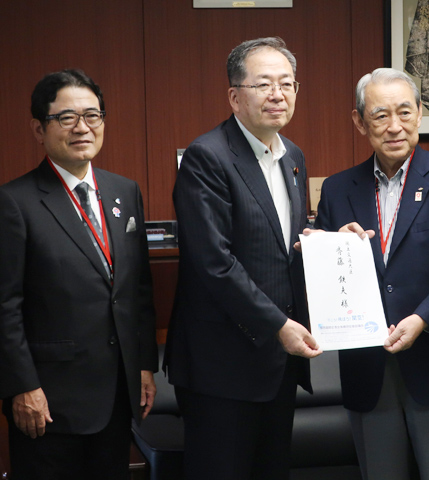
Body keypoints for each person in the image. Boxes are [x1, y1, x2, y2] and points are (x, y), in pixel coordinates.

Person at [313, 67, 429, 480]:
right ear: (360, 122)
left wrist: (421, 319)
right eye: (380, 115)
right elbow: (325, 275)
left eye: (404, 112)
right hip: (368, 369)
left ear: (421, 114)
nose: (395, 126)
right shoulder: (338, 190)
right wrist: (330, 244)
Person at [164, 37, 321, 480]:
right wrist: (279, 325)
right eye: (264, 84)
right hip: (223, 365)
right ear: (234, 96)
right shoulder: (207, 157)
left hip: (278, 361)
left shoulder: (293, 156)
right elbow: (213, 262)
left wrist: (329, 243)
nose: (278, 94)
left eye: (287, 84)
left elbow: (279, 243)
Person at [0, 69, 158, 480]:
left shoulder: (125, 191)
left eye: (93, 115)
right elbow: (5, 306)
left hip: (117, 395)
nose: (83, 127)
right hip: (49, 401)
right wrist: (21, 387)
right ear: (39, 128)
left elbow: (137, 289)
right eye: (67, 117)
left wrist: (142, 365)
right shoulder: (14, 203)